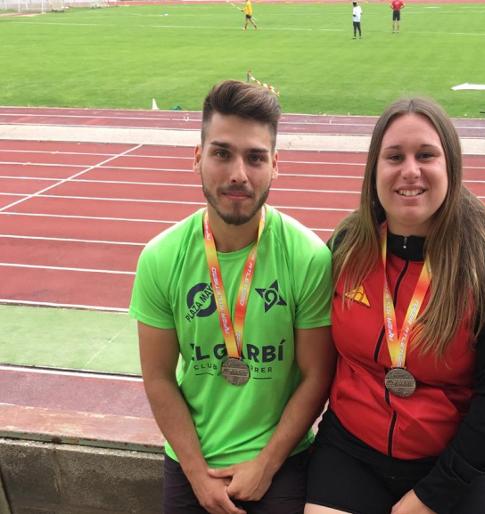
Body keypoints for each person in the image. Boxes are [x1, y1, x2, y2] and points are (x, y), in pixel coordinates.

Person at [305, 97, 485, 514]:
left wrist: (429, 498)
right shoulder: (347, 246)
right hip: (351, 452)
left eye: (426, 155)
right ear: (374, 170)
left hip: (455, 467)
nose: (409, 171)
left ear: (449, 164)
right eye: (394, 156)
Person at [130, 79, 335, 514]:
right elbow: (159, 377)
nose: (238, 173)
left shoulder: (309, 256)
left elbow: (317, 376)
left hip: (282, 462)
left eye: (255, 157)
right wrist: (197, 474)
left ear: (275, 165)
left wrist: (266, 463)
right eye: (222, 153)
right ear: (198, 158)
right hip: (191, 464)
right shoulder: (160, 257)